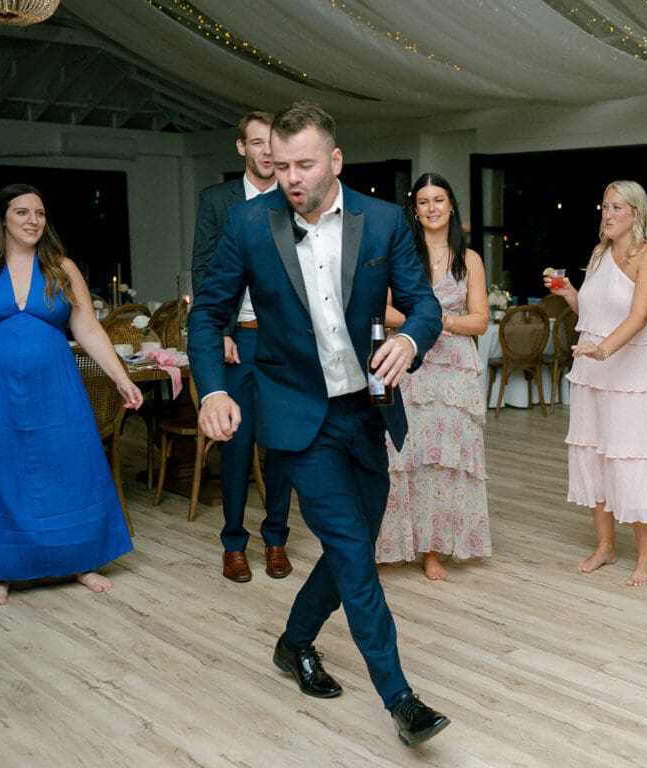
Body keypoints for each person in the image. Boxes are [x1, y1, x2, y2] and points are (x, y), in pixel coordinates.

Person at [188, 102, 449, 745]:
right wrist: (212, 389)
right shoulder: (249, 224)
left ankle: (294, 641)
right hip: (298, 415)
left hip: (367, 410)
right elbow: (207, 314)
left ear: (335, 160)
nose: (291, 178)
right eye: (281, 166)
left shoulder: (382, 220)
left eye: (303, 165)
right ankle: (400, 698)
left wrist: (410, 340)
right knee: (354, 551)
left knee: (351, 544)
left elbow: (423, 305)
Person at [0, 183, 142, 606]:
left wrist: (121, 377)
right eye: (22, 212)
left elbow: (87, 327)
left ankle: (82, 562)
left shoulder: (61, 268)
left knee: (72, 465)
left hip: (56, 388)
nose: (33, 220)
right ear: (3, 218)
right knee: (0, 473)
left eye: (39, 213)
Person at [546, 180, 647, 587]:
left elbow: (639, 317)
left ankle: (646, 556)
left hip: (633, 374)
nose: (607, 214)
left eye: (617, 207)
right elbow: (591, 312)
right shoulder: (598, 252)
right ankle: (605, 547)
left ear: (636, 214)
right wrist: (569, 293)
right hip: (592, 371)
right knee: (593, 454)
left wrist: (603, 349)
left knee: (633, 457)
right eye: (605, 207)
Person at [191, 110, 293, 583]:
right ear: (242, 148)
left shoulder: (293, 199)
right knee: (235, 442)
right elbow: (203, 269)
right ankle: (233, 542)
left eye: (272, 143)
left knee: (282, 442)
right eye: (257, 143)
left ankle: (276, 539)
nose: (266, 152)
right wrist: (221, 331)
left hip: (283, 341)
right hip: (239, 339)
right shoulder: (217, 201)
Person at [375, 172, 491, 580]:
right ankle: (397, 542)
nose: (431, 208)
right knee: (405, 453)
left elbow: (480, 320)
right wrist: (419, 323)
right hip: (410, 362)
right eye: (423, 202)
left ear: (451, 205)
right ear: (415, 210)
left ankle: (433, 549)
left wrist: (441, 321)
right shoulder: (402, 253)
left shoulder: (469, 259)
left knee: (445, 460)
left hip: (454, 372)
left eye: (438, 200)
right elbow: (382, 308)